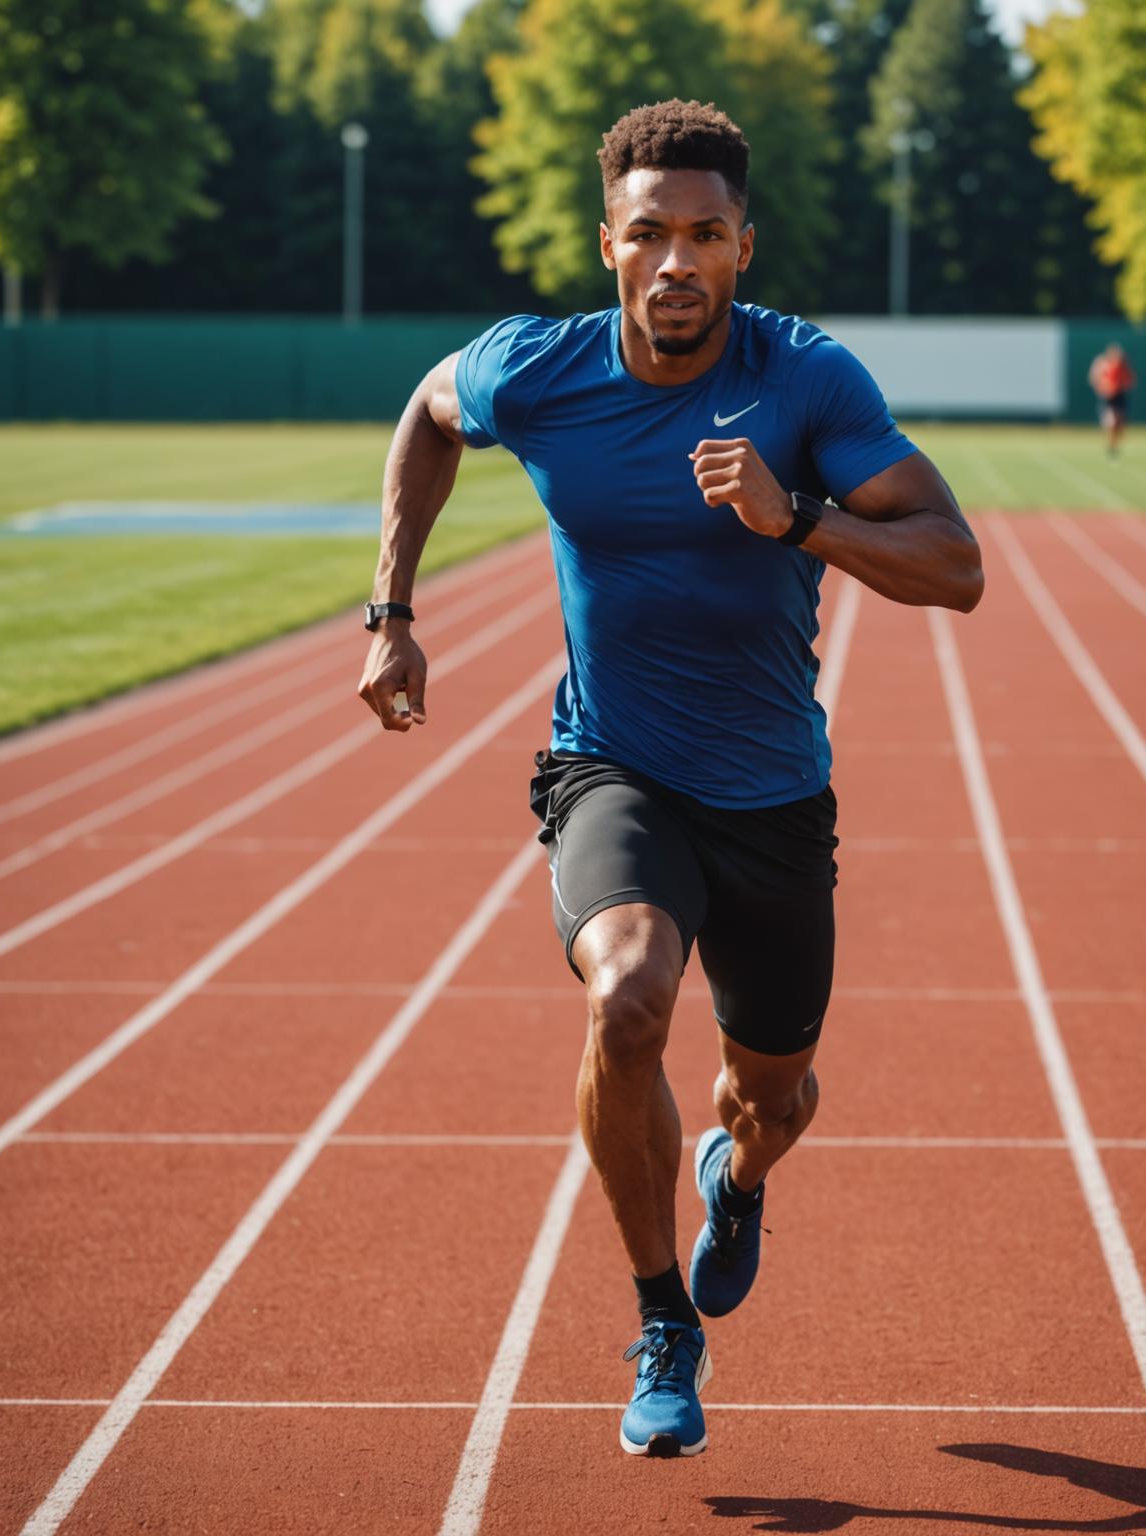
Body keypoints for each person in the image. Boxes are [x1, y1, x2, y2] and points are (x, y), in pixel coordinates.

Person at [356, 99, 983, 1460]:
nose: (677, 261)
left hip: (771, 802)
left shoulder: (808, 383)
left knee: (773, 1099)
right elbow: (428, 406)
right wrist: (390, 610)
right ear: (610, 245)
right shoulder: (539, 371)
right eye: (651, 235)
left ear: (744, 247)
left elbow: (957, 563)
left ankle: (736, 1179)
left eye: (706, 234)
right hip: (612, 769)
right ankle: (661, 1320)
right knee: (627, 995)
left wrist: (797, 515)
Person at [1088, 343, 1135, 458]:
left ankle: (1114, 444)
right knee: (1111, 421)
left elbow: (1130, 381)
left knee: (1120, 424)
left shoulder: (1123, 366)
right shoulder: (1103, 364)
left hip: (1119, 395)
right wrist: (1103, 388)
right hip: (1108, 396)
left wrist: (1121, 385)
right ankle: (1110, 446)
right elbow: (1094, 377)